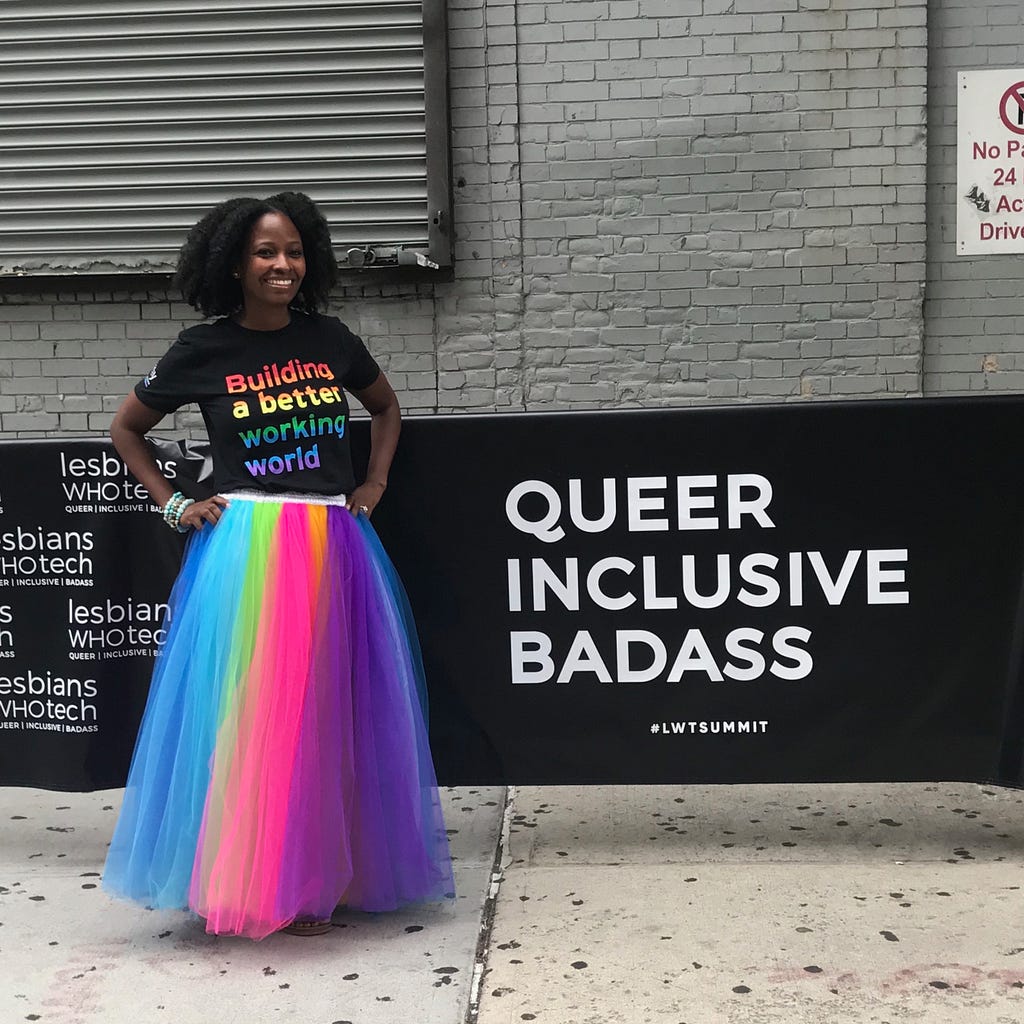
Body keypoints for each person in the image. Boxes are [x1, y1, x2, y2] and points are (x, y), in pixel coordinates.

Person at [102, 192, 454, 939]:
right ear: (234, 263)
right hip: (248, 546)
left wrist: (374, 483)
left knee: (325, 716)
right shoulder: (204, 350)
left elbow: (386, 409)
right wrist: (174, 505)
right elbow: (127, 430)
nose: (282, 265)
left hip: (331, 541)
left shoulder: (330, 339)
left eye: (293, 251)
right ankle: (257, 879)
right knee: (253, 718)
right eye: (266, 252)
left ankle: (321, 875)